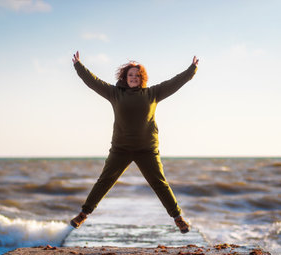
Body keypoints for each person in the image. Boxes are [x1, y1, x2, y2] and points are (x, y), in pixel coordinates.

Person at [70, 51, 199, 234]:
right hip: (121, 149)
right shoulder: (115, 93)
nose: (133, 78)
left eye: (137, 75)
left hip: (147, 149)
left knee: (160, 183)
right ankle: (83, 214)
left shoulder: (152, 93)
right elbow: (94, 82)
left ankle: (178, 218)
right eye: (130, 75)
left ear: (142, 78)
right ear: (125, 77)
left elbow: (174, 83)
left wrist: (191, 69)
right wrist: (79, 66)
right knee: (105, 180)